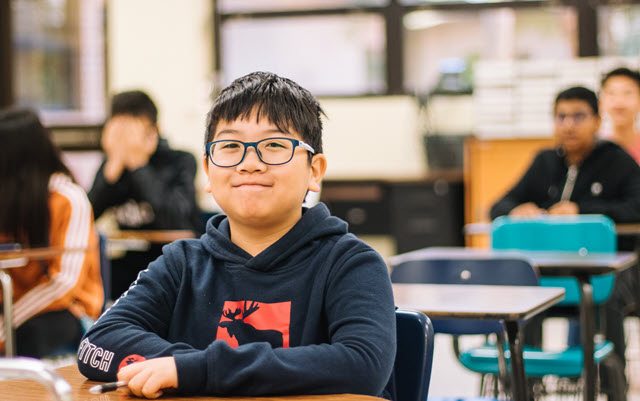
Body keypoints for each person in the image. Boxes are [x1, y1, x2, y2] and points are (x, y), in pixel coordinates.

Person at [77, 72, 396, 399]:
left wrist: (196, 370)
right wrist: (187, 366)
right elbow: (96, 344)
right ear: (208, 172)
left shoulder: (352, 263)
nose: (249, 162)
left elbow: (363, 366)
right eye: (230, 146)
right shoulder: (182, 262)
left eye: (274, 145)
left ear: (314, 171)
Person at [490, 86, 640, 390]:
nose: (568, 124)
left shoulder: (618, 161)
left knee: (607, 297)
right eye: (561, 117)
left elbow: (635, 207)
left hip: (606, 273)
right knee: (523, 293)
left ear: (597, 121)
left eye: (578, 116)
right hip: (546, 273)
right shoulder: (544, 162)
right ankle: (522, 385)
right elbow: (497, 206)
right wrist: (520, 208)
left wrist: (582, 210)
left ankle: (614, 385)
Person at [0, 108, 103, 358]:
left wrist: (7, 324)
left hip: (68, 311)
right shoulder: (8, 201)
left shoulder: (69, 199)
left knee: (29, 338)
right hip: (11, 310)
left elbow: (63, 284)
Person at [88, 90, 203, 300]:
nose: (125, 141)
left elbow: (177, 221)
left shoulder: (181, 161)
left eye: (130, 132)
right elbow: (87, 217)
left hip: (173, 262)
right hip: (128, 265)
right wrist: (112, 169)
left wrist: (139, 165)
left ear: (155, 131)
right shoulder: (113, 166)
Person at [599, 67, 640, 164]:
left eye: (627, 93)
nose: (619, 101)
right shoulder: (595, 149)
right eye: (611, 93)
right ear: (601, 102)